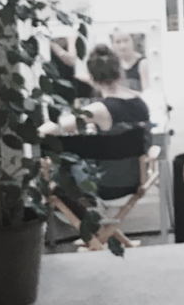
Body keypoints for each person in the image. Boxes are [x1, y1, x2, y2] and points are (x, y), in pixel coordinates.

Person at [39, 44, 151, 200]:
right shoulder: (140, 102)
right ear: (120, 72)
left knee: (61, 166)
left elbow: (49, 129)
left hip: (106, 186)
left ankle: (78, 220)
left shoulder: (99, 109)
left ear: (90, 76)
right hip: (136, 179)